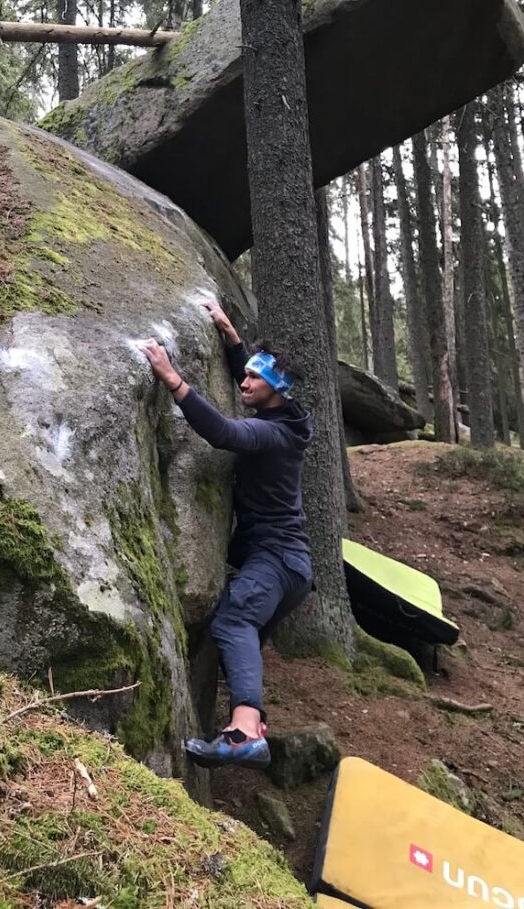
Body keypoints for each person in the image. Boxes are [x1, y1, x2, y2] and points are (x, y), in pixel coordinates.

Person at [139, 301, 314, 770]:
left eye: (253, 380)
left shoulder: (271, 435)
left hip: (275, 559)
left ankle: (241, 735)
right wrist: (232, 338)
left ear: (273, 389)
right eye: (246, 375)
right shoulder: (287, 418)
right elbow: (253, 382)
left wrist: (171, 379)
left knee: (234, 623)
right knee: (244, 641)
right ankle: (252, 726)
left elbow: (223, 432)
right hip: (291, 567)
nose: (243, 384)